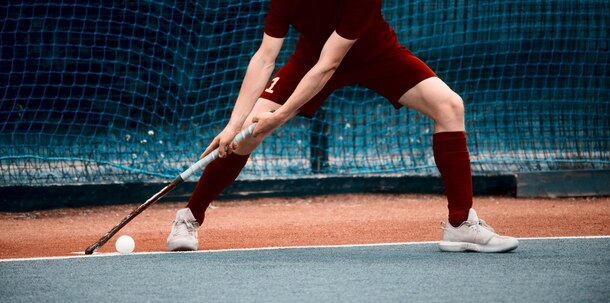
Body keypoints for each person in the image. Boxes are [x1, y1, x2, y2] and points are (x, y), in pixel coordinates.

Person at [166, 0, 518, 253]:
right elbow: (264, 56)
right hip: (309, 57)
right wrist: (234, 125)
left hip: (374, 53)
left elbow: (330, 65)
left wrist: (281, 115)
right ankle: (189, 216)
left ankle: (460, 224)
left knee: (450, 105)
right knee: (244, 138)